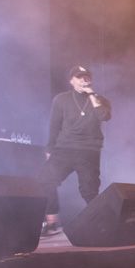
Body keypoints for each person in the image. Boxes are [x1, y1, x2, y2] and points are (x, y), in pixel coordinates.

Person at [39, 65, 111, 235]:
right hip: (64, 149)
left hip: (88, 150)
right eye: (79, 77)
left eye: (86, 76)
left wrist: (92, 95)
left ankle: (102, 224)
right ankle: (52, 223)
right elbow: (54, 124)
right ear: (71, 80)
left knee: (89, 190)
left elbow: (104, 116)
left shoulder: (100, 99)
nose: (84, 80)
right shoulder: (61, 99)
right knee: (45, 180)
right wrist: (50, 148)